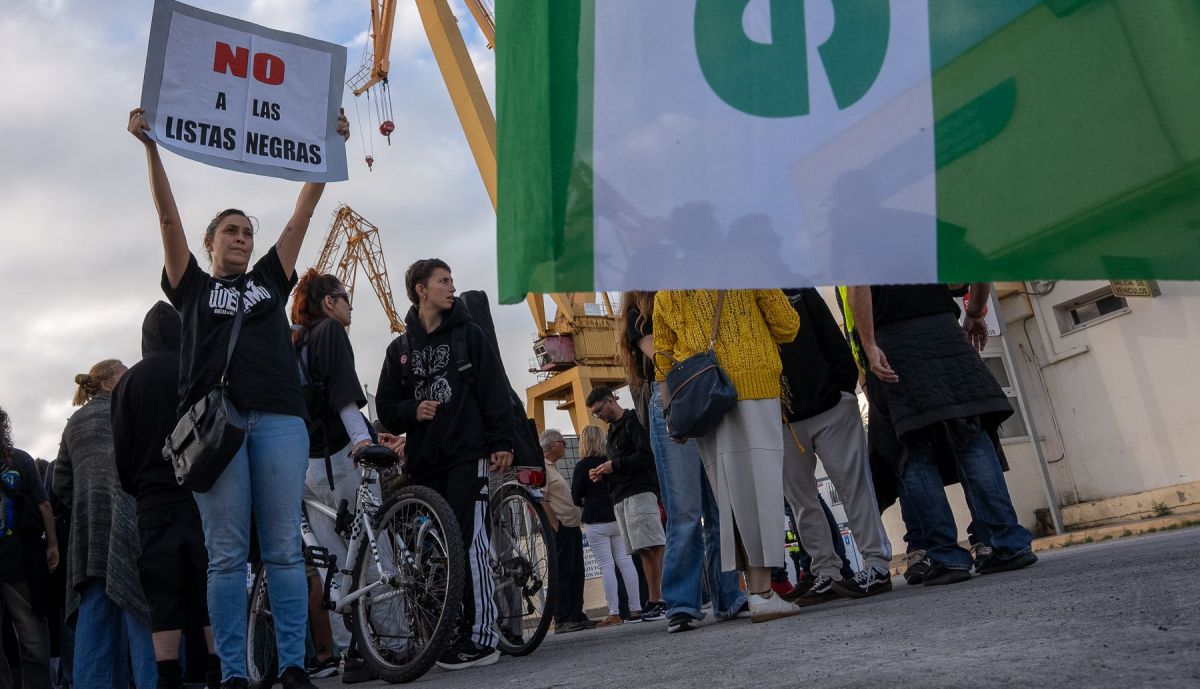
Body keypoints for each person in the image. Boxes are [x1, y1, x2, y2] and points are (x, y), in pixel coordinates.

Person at [128, 104, 350, 689]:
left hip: (279, 420)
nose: (243, 238)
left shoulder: (270, 282)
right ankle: (232, 673)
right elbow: (167, 219)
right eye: (231, 230)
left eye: (248, 232)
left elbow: (303, 213)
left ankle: (297, 666)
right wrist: (152, 149)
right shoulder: (192, 287)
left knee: (281, 548)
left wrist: (327, 151)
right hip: (216, 430)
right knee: (226, 557)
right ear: (209, 243)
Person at [846, 284, 1037, 585]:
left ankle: (947, 557)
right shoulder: (930, 233)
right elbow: (977, 263)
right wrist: (974, 312)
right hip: (945, 331)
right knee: (972, 436)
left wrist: (868, 344)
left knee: (915, 448)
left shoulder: (859, 236)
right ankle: (1007, 543)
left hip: (894, 340)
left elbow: (859, 285)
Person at [376, 258, 514, 671]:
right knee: (436, 552)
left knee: (470, 542)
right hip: (425, 461)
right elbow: (385, 406)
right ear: (421, 289)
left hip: (467, 453)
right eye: (443, 281)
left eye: (451, 280)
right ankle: (450, 632)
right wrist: (411, 411)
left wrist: (501, 440)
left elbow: (493, 388)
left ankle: (483, 638)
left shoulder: (468, 335)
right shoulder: (399, 349)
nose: (452, 287)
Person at [653, 289, 800, 622]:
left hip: (704, 396)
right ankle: (763, 593)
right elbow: (787, 327)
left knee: (732, 497)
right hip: (753, 385)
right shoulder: (746, 266)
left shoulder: (666, 291)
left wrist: (669, 413)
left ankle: (755, 589)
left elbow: (662, 358)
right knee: (760, 489)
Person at [616, 291, 748, 633]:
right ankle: (682, 602)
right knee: (685, 509)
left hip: (704, 395)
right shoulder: (638, 314)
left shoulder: (686, 298)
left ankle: (729, 596)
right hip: (673, 400)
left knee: (720, 506)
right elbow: (661, 355)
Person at [111, 303, 219, 689]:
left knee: (163, 595)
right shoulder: (197, 369)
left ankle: (168, 677)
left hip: (152, 502)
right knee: (209, 588)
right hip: (200, 495)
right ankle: (217, 671)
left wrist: (138, 486)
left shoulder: (127, 384)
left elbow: (121, 454)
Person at [778, 288, 893, 604]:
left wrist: (843, 390)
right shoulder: (740, 299)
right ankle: (826, 571)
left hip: (829, 406)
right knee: (801, 501)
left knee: (852, 487)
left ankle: (876, 564)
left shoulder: (797, 288)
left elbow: (829, 333)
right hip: (782, 417)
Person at [289, 270, 375, 682]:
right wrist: (363, 439)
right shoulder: (331, 333)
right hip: (340, 458)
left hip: (305, 464)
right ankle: (391, 644)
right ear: (329, 302)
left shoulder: (294, 341)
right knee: (374, 554)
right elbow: (343, 396)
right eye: (345, 298)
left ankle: (348, 651)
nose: (349, 305)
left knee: (332, 565)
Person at [53, 360, 157, 689]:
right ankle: (150, 683)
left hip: (89, 532)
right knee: (138, 607)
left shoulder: (74, 424)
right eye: (125, 376)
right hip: (131, 520)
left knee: (95, 610)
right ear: (109, 384)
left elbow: (60, 482)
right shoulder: (130, 411)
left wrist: (86, 505)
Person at [583, 387, 667, 622]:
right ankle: (654, 599)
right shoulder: (612, 432)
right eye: (595, 413)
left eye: (599, 410)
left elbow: (646, 455)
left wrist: (614, 466)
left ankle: (658, 599)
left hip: (639, 492)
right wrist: (604, 472)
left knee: (651, 546)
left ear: (611, 400)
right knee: (642, 549)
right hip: (622, 495)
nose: (598, 416)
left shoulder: (632, 422)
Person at [0, 406, 58, 689]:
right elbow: (43, 504)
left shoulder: (21, 460)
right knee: (33, 636)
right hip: (20, 559)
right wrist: (53, 545)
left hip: (18, 560)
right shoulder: (20, 459)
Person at [570, 426, 643, 627]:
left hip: (595, 521)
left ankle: (614, 612)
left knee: (606, 566)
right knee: (626, 562)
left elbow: (575, 497)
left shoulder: (582, 466)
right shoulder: (611, 463)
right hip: (617, 517)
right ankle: (636, 608)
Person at [538, 430, 595, 634]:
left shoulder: (553, 468)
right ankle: (562, 618)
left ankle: (576, 614)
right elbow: (541, 498)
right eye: (562, 442)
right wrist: (554, 524)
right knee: (563, 573)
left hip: (571, 527)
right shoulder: (543, 467)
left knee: (577, 573)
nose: (566, 445)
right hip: (561, 528)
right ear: (552, 445)